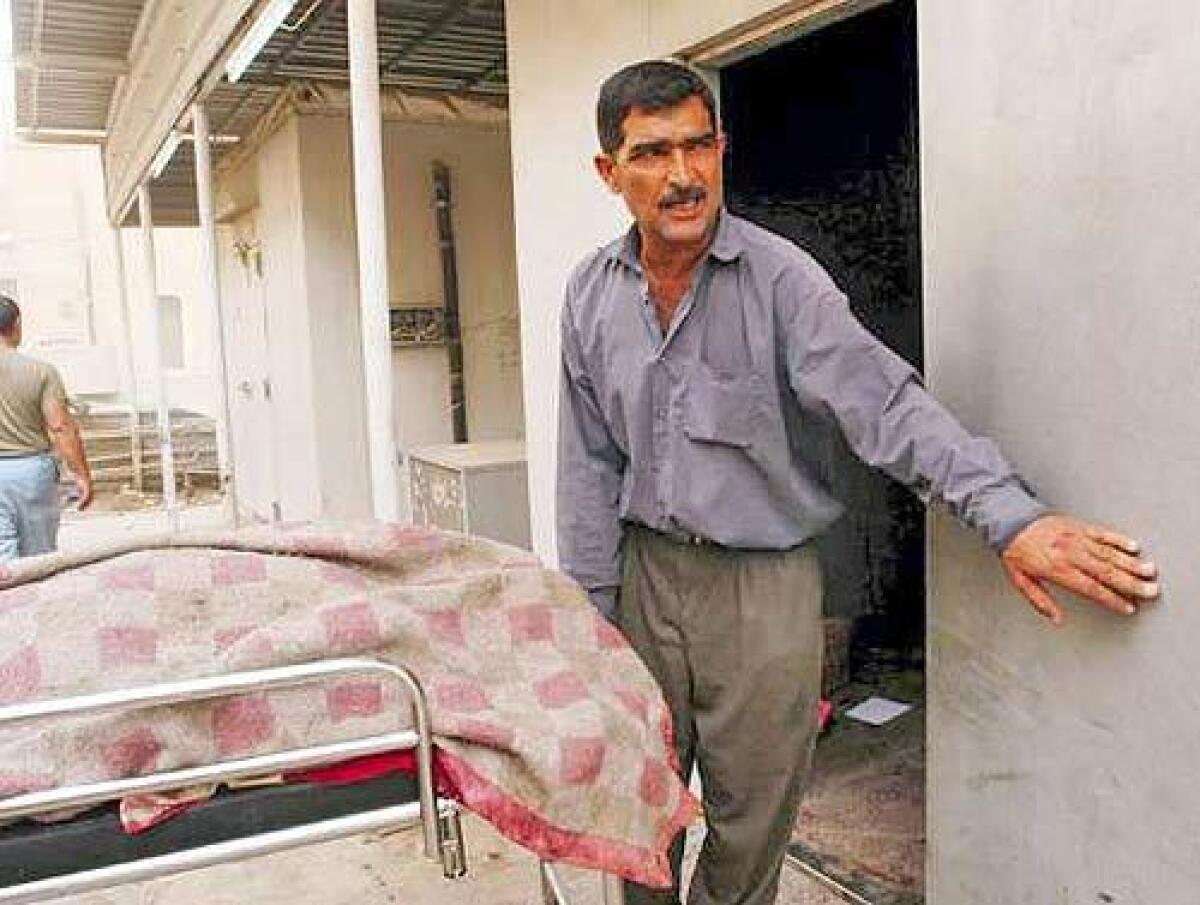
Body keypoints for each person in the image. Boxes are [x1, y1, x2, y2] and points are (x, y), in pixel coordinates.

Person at [555, 61, 1160, 905]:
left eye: (699, 145)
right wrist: (588, 614)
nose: (684, 175)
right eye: (653, 153)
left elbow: (888, 404)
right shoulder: (590, 295)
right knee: (637, 808)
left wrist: (1008, 516)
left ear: (723, 148)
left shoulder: (782, 283)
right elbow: (586, 462)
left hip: (762, 594)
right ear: (609, 172)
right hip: (644, 579)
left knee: (749, 823)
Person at [0, 295, 93, 560]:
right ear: (17, 324)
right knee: (38, 559)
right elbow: (61, 426)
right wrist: (82, 475)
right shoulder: (41, 372)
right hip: (31, 473)